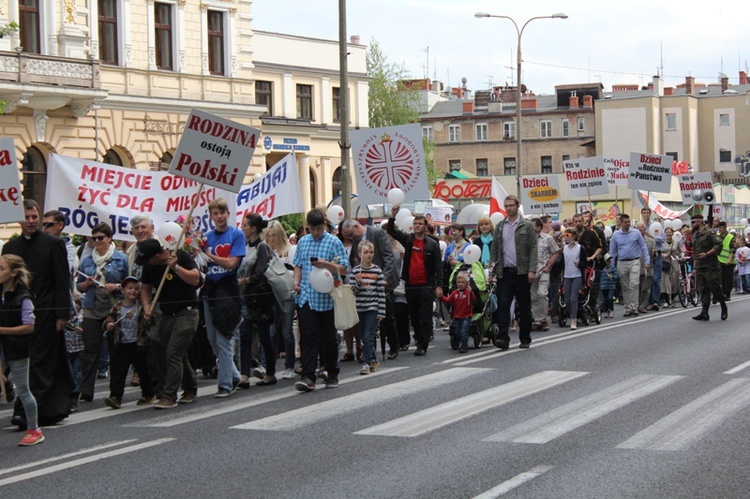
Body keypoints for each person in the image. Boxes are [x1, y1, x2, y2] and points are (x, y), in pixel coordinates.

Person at [2, 200, 72, 428]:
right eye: (27, 217)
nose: (31, 221)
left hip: (46, 311)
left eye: (34, 217)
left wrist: (63, 313)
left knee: (40, 362)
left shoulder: (53, 243)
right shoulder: (10, 248)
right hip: (17, 313)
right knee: (21, 361)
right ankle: (32, 409)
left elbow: (63, 280)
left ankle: (27, 411)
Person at [138, 238, 201, 409]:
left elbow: (196, 279)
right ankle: (190, 387)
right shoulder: (149, 266)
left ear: (158, 255)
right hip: (166, 314)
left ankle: (169, 395)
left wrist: (176, 267)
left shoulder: (180, 256)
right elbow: (145, 288)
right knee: (173, 351)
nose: (147, 263)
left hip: (186, 312)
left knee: (173, 353)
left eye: (149, 259)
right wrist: (147, 307)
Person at [292, 208, 348, 391]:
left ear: (324, 225)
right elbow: (298, 264)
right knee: (308, 336)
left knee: (328, 337)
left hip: (327, 297)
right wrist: (296, 282)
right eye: (312, 229)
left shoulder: (333, 242)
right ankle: (308, 376)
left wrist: (327, 265)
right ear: (308, 227)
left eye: (319, 229)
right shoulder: (303, 242)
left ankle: (332, 372)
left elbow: (344, 268)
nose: (316, 233)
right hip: (307, 296)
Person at [76, 222, 129, 402]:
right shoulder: (87, 261)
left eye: (100, 238)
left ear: (109, 238)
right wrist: (86, 283)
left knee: (115, 351)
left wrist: (117, 286)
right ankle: (86, 392)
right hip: (91, 310)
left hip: (112, 310)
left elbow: (129, 285)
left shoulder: (121, 259)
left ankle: (115, 391)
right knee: (91, 351)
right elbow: (79, 287)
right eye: (94, 238)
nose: (97, 241)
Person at [201, 198, 245, 398]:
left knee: (224, 338)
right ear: (211, 217)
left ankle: (225, 384)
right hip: (210, 290)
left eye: (222, 213)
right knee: (212, 339)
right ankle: (234, 375)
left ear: (228, 213)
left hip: (228, 290)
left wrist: (208, 255)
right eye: (215, 214)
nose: (219, 217)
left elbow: (231, 264)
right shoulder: (205, 238)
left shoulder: (236, 235)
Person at [0, 255, 44, 446]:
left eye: (1, 268)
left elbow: (29, 327)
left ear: (14, 272)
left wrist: (2, 330)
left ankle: (34, 429)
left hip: (16, 349)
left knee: (23, 390)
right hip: (1, 349)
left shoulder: (23, 297)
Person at [386, 207, 443, 356]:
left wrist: (439, 285)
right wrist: (393, 216)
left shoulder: (432, 244)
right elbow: (392, 231)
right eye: (415, 223)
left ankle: (422, 345)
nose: (417, 225)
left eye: (419, 223)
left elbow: (438, 265)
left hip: (426, 284)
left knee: (425, 316)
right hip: (410, 285)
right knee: (415, 316)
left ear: (425, 226)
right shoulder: (408, 240)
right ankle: (419, 337)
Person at [340, 219, 397, 358]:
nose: (350, 238)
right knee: (367, 324)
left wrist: (384, 278)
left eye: (351, 235)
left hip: (381, 280)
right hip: (365, 285)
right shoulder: (356, 241)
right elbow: (355, 259)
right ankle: (369, 354)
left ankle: (394, 346)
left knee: (387, 316)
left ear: (356, 226)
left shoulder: (377, 233)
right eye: (348, 237)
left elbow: (388, 256)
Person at [490, 195, 537, 349]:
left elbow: (533, 249)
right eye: (506, 206)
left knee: (524, 307)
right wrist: (492, 269)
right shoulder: (500, 226)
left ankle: (525, 338)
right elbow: (495, 249)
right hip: (504, 272)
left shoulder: (527, 226)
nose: (508, 208)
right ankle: (503, 338)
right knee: (503, 306)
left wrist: (532, 270)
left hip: (522, 272)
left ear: (517, 206)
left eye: (511, 205)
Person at [101, 276, 155, 409]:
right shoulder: (117, 307)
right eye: (130, 288)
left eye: (136, 288)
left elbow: (150, 323)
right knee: (119, 372)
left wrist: (148, 317)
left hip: (139, 344)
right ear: (123, 291)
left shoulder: (141, 307)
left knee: (143, 371)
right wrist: (109, 325)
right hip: (122, 344)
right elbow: (107, 321)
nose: (133, 291)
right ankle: (116, 397)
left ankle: (148, 394)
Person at [238, 213, 277, 387]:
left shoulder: (262, 247)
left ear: (253, 228)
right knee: (245, 336)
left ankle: (270, 372)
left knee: (264, 336)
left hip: (259, 299)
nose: (242, 228)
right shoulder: (244, 246)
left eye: (245, 225)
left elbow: (260, 271)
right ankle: (244, 374)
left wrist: (245, 280)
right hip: (245, 297)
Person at [263, 219, 297, 379]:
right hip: (271, 295)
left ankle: (289, 366)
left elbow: (293, 272)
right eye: (268, 235)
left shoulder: (289, 251)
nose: (271, 238)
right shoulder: (265, 251)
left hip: (287, 294)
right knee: (269, 332)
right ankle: (266, 366)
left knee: (286, 332)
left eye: (274, 235)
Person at [351, 240, 387, 374]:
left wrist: (381, 311)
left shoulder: (377, 271)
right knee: (363, 336)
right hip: (360, 307)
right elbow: (353, 291)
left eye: (371, 252)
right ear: (360, 255)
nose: (369, 255)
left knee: (368, 335)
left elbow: (380, 293)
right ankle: (373, 358)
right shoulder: (356, 271)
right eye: (366, 252)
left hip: (372, 307)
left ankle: (365, 363)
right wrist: (358, 283)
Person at [608, 214, 650, 317]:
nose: (627, 224)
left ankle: (634, 307)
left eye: (628, 222)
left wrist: (647, 261)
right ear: (621, 223)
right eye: (625, 222)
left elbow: (643, 246)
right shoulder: (616, 235)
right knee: (625, 286)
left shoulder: (636, 233)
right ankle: (627, 308)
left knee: (634, 284)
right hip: (622, 262)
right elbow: (612, 252)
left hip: (634, 261)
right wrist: (612, 265)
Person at [690, 214, 727, 321]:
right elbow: (695, 253)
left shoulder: (709, 233)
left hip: (711, 265)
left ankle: (723, 305)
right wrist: (694, 268)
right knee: (703, 289)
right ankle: (704, 312)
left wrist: (707, 254)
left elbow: (718, 245)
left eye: (694, 222)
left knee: (714, 287)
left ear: (700, 222)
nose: (692, 225)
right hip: (700, 266)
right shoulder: (695, 235)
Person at [531, 217, 559, 332]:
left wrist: (549, 266)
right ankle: (537, 320)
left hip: (543, 270)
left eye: (532, 226)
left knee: (542, 294)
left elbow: (556, 252)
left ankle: (544, 319)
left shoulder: (547, 238)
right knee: (533, 297)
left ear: (538, 227)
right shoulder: (528, 240)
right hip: (531, 271)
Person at [440, 271, 476, 353]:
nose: (460, 284)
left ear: (466, 283)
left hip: (466, 316)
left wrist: (471, 292)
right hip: (457, 316)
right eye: (458, 282)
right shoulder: (454, 293)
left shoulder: (468, 292)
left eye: (463, 282)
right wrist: (441, 297)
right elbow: (448, 300)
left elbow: (473, 300)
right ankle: (459, 341)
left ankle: (464, 345)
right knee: (457, 331)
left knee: (464, 331)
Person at [561, 228, 588, 330]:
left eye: (567, 235)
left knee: (573, 298)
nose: (566, 237)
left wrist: (579, 264)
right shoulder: (564, 248)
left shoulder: (580, 248)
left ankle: (573, 319)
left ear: (574, 236)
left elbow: (585, 263)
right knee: (567, 300)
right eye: (565, 236)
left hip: (577, 275)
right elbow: (562, 263)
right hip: (567, 276)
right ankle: (571, 314)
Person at [641, 208, 665, 311]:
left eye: (647, 212)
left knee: (656, 278)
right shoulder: (640, 226)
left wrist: (652, 237)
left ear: (650, 214)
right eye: (644, 212)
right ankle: (645, 302)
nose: (645, 214)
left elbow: (662, 239)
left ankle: (655, 301)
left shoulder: (656, 225)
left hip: (656, 253)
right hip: (645, 255)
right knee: (647, 279)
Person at [636, 222, 656, 314]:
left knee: (645, 288)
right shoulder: (633, 241)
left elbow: (655, 257)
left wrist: (654, 253)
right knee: (636, 288)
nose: (640, 229)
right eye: (638, 228)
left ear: (645, 229)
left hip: (647, 268)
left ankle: (643, 306)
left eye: (642, 227)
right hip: (636, 267)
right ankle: (636, 305)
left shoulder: (651, 241)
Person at [661, 227, 681, 307]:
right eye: (667, 232)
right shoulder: (662, 242)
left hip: (674, 263)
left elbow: (680, 251)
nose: (668, 234)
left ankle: (672, 299)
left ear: (672, 233)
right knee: (665, 282)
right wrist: (663, 255)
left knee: (674, 281)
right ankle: (666, 301)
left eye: (670, 232)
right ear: (665, 233)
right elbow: (659, 252)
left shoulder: (676, 242)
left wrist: (682, 256)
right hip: (665, 264)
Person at [717, 221, 736, 301]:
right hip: (719, 260)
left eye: (721, 228)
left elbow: (732, 249)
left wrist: (729, 259)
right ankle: (722, 293)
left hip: (729, 262)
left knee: (728, 279)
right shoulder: (717, 236)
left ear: (725, 228)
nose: (720, 229)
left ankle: (727, 293)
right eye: (719, 228)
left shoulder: (731, 237)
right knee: (721, 277)